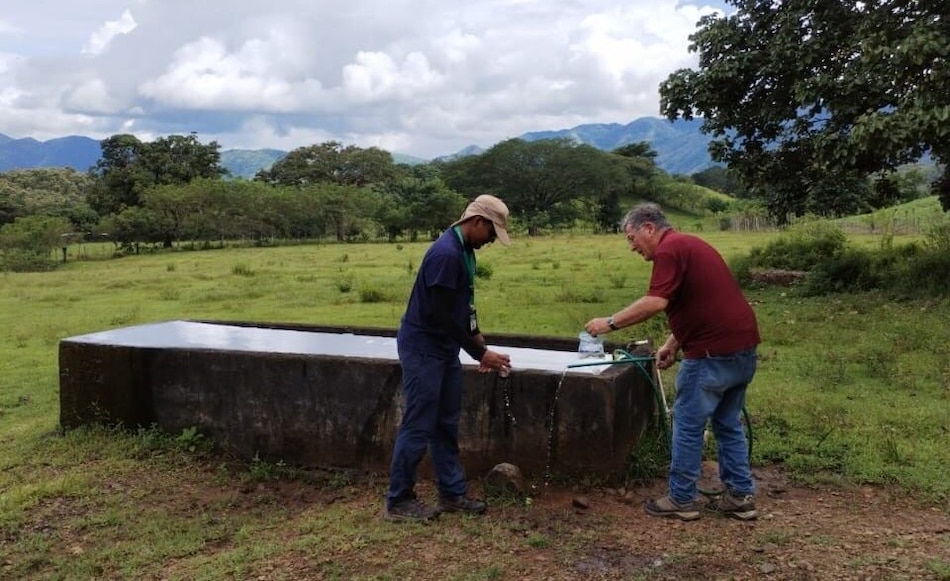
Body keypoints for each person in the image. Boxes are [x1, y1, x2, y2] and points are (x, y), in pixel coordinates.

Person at [584, 203, 760, 522]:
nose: (632, 246)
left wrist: (607, 323)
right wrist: (671, 343)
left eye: (631, 237)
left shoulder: (670, 249)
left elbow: (655, 302)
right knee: (727, 422)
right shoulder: (689, 245)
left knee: (688, 424)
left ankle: (681, 498)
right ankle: (740, 496)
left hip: (710, 355)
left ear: (649, 227)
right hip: (742, 348)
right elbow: (698, 301)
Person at [385, 194, 513, 522]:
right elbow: (443, 316)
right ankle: (398, 501)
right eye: (491, 234)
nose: (491, 242)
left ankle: (452, 493)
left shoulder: (465, 252)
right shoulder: (446, 255)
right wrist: (481, 352)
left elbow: (464, 313)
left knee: (446, 422)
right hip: (424, 348)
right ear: (478, 223)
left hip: (444, 349)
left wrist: (483, 349)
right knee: (418, 424)